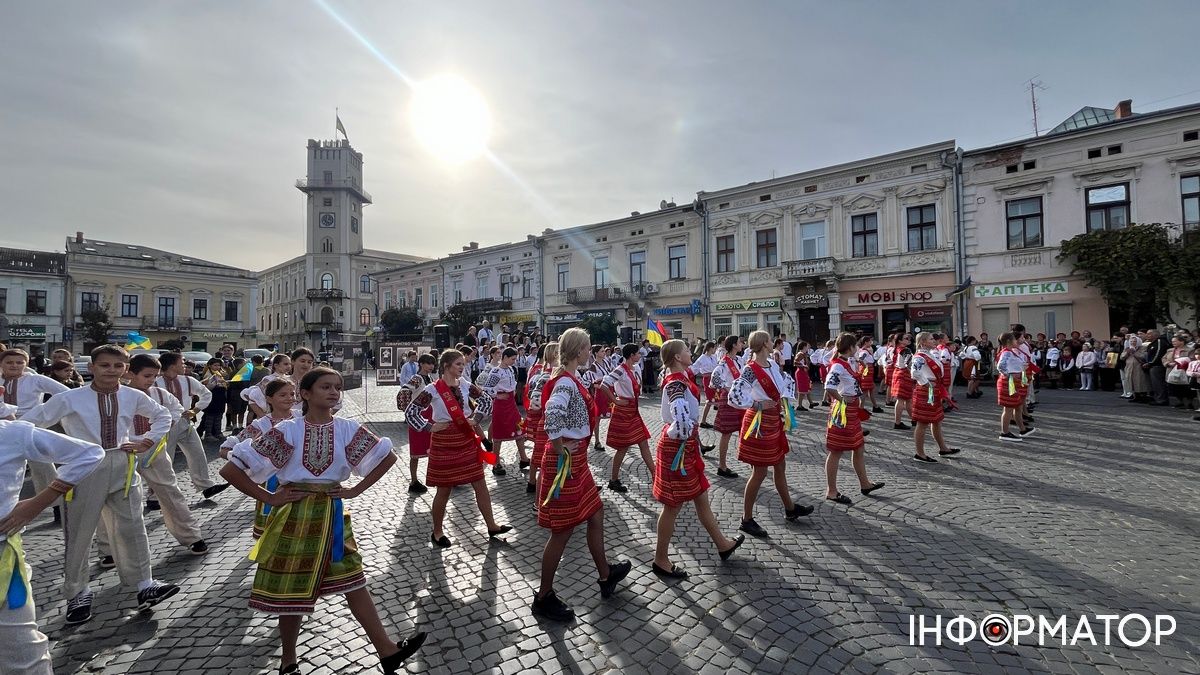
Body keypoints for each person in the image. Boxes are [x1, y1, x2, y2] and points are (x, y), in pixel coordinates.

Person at [222, 367, 425, 675]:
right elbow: (232, 470)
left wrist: (356, 489)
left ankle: (386, 650)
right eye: (325, 387)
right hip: (294, 515)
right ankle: (288, 661)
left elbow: (387, 456)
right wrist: (270, 498)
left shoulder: (346, 428)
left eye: (337, 387)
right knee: (291, 590)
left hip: (332, 515)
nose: (333, 392)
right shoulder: (288, 431)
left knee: (355, 581)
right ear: (305, 393)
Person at [21, 345, 180, 626]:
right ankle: (77, 592)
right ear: (91, 367)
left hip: (123, 463)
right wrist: (58, 450)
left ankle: (144, 584)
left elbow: (163, 415)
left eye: (118, 366)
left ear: (126, 369)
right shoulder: (70, 398)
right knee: (80, 530)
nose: (112, 371)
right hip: (84, 467)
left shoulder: (133, 395)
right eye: (105, 365)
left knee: (133, 525)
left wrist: (148, 440)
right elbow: (30, 423)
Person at [531, 327, 631, 622]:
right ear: (577, 351)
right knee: (562, 531)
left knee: (596, 513)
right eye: (587, 348)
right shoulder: (565, 381)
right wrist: (562, 446)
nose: (591, 352)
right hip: (566, 463)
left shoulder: (570, 377)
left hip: (575, 462)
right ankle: (544, 596)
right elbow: (553, 414)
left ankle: (605, 574)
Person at [0, 417, 103, 675]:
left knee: (21, 649)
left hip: (4, 561)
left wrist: (39, 502)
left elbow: (89, 453)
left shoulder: (12, 433)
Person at [96, 354, 208, 562]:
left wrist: (162, 429)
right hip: (123, 453)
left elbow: (176, 410)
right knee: (112, 499)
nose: (151, 380)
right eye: (147, 376)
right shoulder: (119, 394)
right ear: (130, 373)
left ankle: (191, 536)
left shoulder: (160, 393)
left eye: (154, 376)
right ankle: (108, 549)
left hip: (153, 451)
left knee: (170, 492)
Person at [649, 339, 745, 581]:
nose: (690, 352)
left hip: (685, 447)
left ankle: (722, 543)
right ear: (677, 357)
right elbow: (679, 416)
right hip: (678, 449)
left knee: (701, 497)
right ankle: (661, 559)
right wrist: (684, 433)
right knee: (672, 506)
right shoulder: (675, 381)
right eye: (686, 350)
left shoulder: (679, 378)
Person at [404, 350, 510, 548]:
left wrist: (475, 419)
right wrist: (429, 426)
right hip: (444, 441)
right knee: (444, 490)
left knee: (480, 482)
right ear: (446, 366)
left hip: (466, 438)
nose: (462, 367)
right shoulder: (433, 389)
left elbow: (486, 400)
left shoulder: (465, 385)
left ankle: (491, 525)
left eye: (463, 364)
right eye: (458, 364)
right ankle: (437, 532)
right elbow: (411, 411)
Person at [728, 330, 814, 538]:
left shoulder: (772, 364)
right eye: (770, 339)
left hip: (773, 419)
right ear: (765, 344)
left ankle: (790, 508)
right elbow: (734, 396)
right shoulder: (750, 369)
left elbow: (783, 383)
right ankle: (746, 519)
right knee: (759, 472)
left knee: (780, 464)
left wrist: (784, 401)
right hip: (759, 423)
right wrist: (756, 403)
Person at [219, 378, 297, 540]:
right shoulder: (261, 425)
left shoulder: (302, 417)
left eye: (292, 394)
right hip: (272, 483)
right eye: (283, 395)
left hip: (300, 478)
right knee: (273, 530)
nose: (289, 398)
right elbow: (228, 447)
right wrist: (244, 463)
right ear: (269, 399)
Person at [1, 348, 70, 503]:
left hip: (30, 424)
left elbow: (65, 393)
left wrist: (47, 412)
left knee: (41, 463)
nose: (14, 365)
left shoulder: (35, 379)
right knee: (6, 464)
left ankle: (56, 503)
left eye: (19, 362)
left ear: (26, 364)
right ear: (1, 364)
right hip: (4, 426)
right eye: (9, 362)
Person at [157, 352, 230, 499]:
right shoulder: (155, 382)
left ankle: (205, 486)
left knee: (197, 452)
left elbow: (206, 393)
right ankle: (155, 496)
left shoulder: (188, 380)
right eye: (181, 362)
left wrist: (196, 409)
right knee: (165, 458)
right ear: (172, 366)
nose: (184, 365)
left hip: (184, 422)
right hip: (164, 425)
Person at [823, 333, 885, 503]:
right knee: (836, 450)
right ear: (850, 347)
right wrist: (842, 399)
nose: (857, 349)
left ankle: (865, 483)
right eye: (855, 346)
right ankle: (832, 491)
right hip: (843, 411)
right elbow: (829, 386)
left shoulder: (846, 362)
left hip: (851, 410)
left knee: (858, 447)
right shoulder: (838, 366)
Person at [598, 344, 654, 493]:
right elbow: (604, 385)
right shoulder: (620, 370)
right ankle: (613, 479)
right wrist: (615, 400)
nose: (640, 356)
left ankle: (656, 476)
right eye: (638, 354)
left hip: (632, 411)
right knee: (623, 448)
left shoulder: (634, 369)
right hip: (623, 411)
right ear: (631, 355)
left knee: (644, 444)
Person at [909, 332, 962, 462]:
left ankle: (943, 448)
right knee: (922, 423)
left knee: (936, 420)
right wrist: (926, 383)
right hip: (927, 391)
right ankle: (920, 454)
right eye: (931, 339)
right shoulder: (920, 356)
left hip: (934, 389)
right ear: (923, 342)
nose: (934, 341)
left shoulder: (930, 354)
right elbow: (914, 372)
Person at [480, 347, 530, 476]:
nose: (514, 361)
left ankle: (524, 458)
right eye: (513, 359)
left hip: (511, 404)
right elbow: (486, 388)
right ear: (505, 357)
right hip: (501, 405)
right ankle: (496, 463)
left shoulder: (510, 369)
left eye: (515, 359)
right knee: (498, 434)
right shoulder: (496, 371)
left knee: (519, 428)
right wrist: (497, 395)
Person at [396, 354, 437, 493]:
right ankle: (413, 480)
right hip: (418, 415)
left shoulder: (429, 378)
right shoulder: (417, 378)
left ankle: (435, 476)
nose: (431, 366)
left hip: (429, 415)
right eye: (428, 363)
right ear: (421, 364)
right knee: (415, 451)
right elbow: (405, 390)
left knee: (432, 447)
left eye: (432, 363)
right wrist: (408, 409)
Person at [707, 335, 744, 479]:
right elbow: (714, 380)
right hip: (729, 400)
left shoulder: (739, 360)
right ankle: (722, 466)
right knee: (727, 434)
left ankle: (750, 460)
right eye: (740, 342)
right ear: (734, 345)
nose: (742, 344)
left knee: (744, 429)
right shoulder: (723, 363)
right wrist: (728, 388)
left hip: (741, 400)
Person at [524, 342, 557, 496]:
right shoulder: (546, 376)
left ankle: (532, 483)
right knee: (541, 454)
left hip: (545, 419)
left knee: (539, 453)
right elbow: (535, 401)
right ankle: (536, 484)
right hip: (547, 419)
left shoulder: (546, 374)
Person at [995, 332, 1034, 442]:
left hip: (1013, 381)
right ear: (1009, 342)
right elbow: (1000, 366)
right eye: (1015, 340)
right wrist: (1009, 375)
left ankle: (1022, 429)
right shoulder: (1006, 352)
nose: (1017, 342)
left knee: (1017, 406)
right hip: (1008, 382)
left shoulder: (1010, 352)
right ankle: (1004, 432)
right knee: (1008, 408)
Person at [198, 357, 230, 441]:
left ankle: (218, 432)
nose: (217, 367)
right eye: (215, 365)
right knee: (210, 416)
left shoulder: (220, 373)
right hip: (212, 397)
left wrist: (224, 383)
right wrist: (217, 383)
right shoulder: (208, 374)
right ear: (210, 366)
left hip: (220, 397)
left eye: (219, 365)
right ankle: (208, 434)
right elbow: (208, 387)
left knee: (219, 415)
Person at [889, 334, 914, 430]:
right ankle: (898, 422)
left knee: (906, 399)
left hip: (897, 372)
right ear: (900, 341)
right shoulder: (905, 350)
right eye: (906, 338)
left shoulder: (893, 349)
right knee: (903, 399)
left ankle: (912, 419)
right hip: (904, 374)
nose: (908, 340)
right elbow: (909, 365)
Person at [693, 342, 719, 428]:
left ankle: (718, 420)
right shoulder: (702, 358)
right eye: (714, 348)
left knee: (717, 399)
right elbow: (694, 368)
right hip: (708, 379)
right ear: (710, 348)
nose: (715, 350)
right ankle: (703, 421)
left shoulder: (714, 357)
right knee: (709, 400)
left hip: (715, 379)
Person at [854, 336, 883, 412]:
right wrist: (865, 367)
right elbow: (860, 360)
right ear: (865, 342)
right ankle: (861, 408)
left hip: (868, 371)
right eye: (870, 341)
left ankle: (875, 406)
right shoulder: (864, 351)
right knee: (865, 391)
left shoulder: (865, 350)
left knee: (871, 389)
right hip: (866, 372)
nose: (871, 343)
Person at [1145, 329, 1171, 406]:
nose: (1147, 335)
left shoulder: (1159, 342)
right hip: (1152, 366)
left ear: (1155, 334)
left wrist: (1150, 363)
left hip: (1157, 366)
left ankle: (1162, 399)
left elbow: (1158, 354)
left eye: (1149, 334)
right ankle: (1158, 398)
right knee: (1155, 384)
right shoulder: (1152, 343)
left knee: (1159, 383)